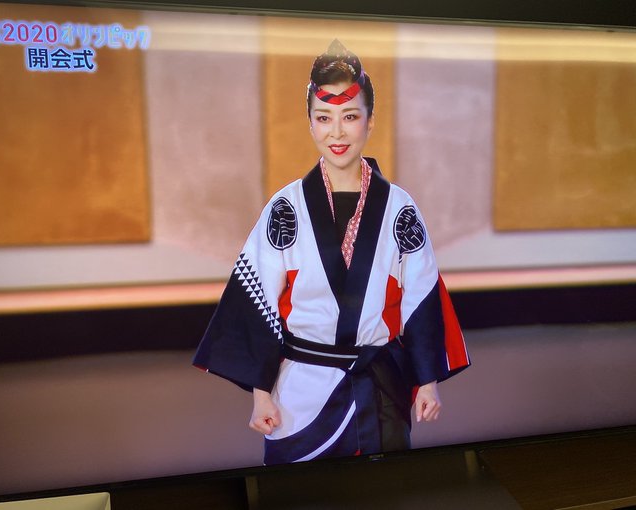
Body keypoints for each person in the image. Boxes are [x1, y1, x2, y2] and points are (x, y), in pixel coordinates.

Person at [193, 39, 470, 465]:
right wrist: (261, 394)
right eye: (324, 118)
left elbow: (420, 297)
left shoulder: (399, 208)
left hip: (379, 390)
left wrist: (427, 382)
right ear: (310, 123)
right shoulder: (285, 208)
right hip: (300, 393)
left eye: (350, 117)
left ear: (370, 121)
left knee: (386, 492)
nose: (336, 132)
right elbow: (256, 301)